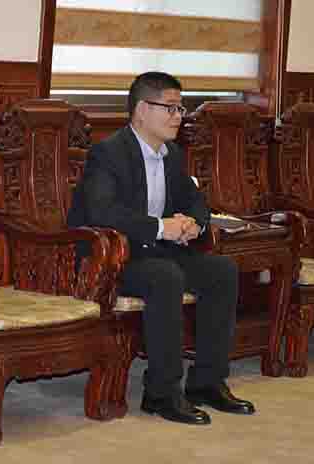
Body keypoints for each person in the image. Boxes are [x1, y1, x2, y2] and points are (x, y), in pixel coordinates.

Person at [68, 72, 255, 425]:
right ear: (141, 110)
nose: (178, 116)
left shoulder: (172, 155)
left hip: (158, 252)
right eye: (170, 108)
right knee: (165, 276)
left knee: (222, 271)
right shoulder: (108, 153)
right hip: (112, 258)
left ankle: (207, 382)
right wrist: (160, 227)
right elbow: (102, 212)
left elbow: (195, 201)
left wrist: (194, 224)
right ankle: (161, 392)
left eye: (180, 108)